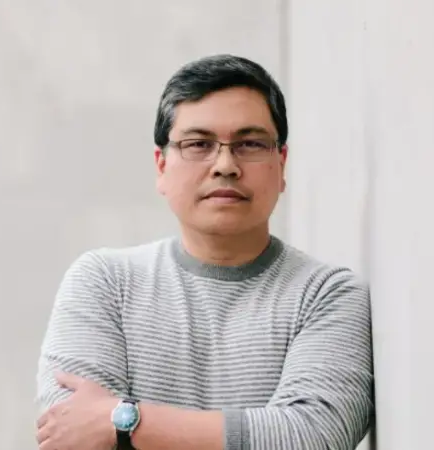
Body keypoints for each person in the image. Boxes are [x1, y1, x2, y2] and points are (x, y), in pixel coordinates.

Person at [34, 54, 374, 450]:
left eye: (250, 144)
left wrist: (123, 420)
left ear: (281, 164)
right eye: (198, 144)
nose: (225, 165)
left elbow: (312, 436)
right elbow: (70, 434)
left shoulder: (327, 294)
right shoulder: (104, 282)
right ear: (161, 166)